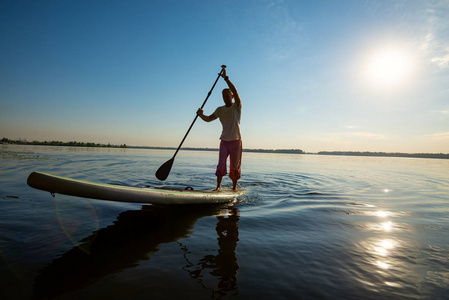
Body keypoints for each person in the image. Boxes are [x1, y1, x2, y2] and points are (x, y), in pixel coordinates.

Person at [197, 66, 242, 192]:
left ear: (232, 97)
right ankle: (218, 187)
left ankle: (234, 188)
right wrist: (201, 115)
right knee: (221, 164)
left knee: (234, 166)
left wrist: (226, 78)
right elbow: (208, 119)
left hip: (236, 141)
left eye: (227, 95)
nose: (225, 98)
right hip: (224, 142)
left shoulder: (237, 107)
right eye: (223, 96)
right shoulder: (220, 110)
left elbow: (236, 91)